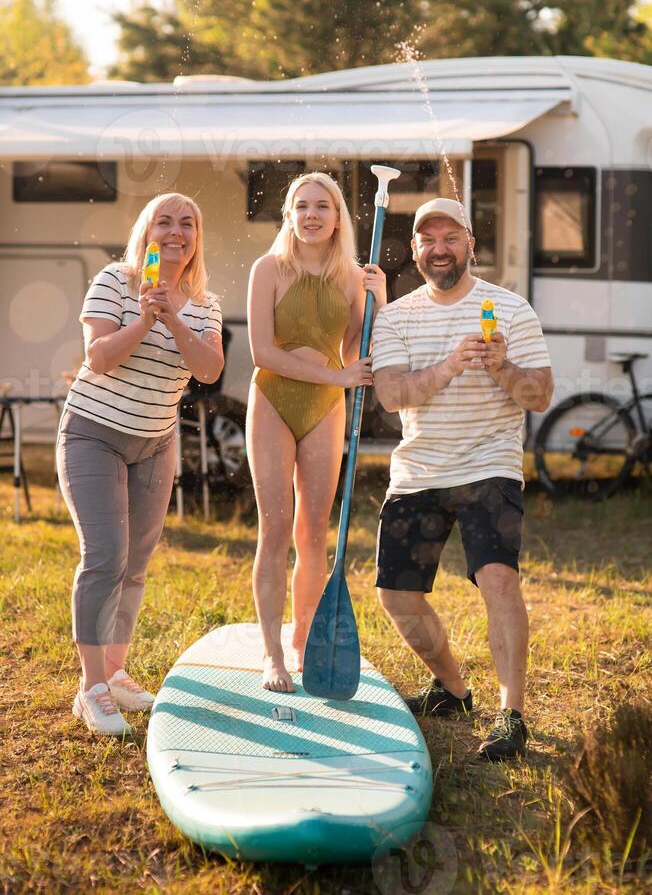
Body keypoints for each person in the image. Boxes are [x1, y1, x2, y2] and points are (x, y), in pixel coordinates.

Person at [372, 197, 553, 761]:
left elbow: (541, 396)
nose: (440, 248)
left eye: (451, 237)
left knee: (498, 579)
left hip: (487, 465)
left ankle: (512, 714)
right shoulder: (396, 316)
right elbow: (391, 396)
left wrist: (503, 368)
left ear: (471, 243)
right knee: (397, 596)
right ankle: (453, 689)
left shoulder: (509, 308)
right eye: (429, 239)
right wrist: (451, 365)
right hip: (420, 467)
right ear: (417, 250)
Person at [58, 193, 223, 736]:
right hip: (93, 435)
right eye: (165, 221)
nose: (176, 232)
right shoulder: (114, 280)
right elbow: (98, 358)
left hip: (155, 443)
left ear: (196, 237)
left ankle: (115, 671)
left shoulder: (204, 303)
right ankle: (91, 689)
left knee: (136, 563)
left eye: (188, 224)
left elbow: (208, 370)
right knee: (105, 555)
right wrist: (143, 318)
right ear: (146, 231)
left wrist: (171, 317)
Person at [247, 171, 386, 693]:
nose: (311, 215)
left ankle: (303, 640)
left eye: (322, 206)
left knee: (312, 536)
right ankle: (271, 653)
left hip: (326, 408)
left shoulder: (351, 275)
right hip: (274, 402)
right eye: (301, 205)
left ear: (337, 217)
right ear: (289, 214)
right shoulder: (269, 269)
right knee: (276, 531)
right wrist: (337, 376)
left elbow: (357, 353)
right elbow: (264, 353)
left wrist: (379, 298)